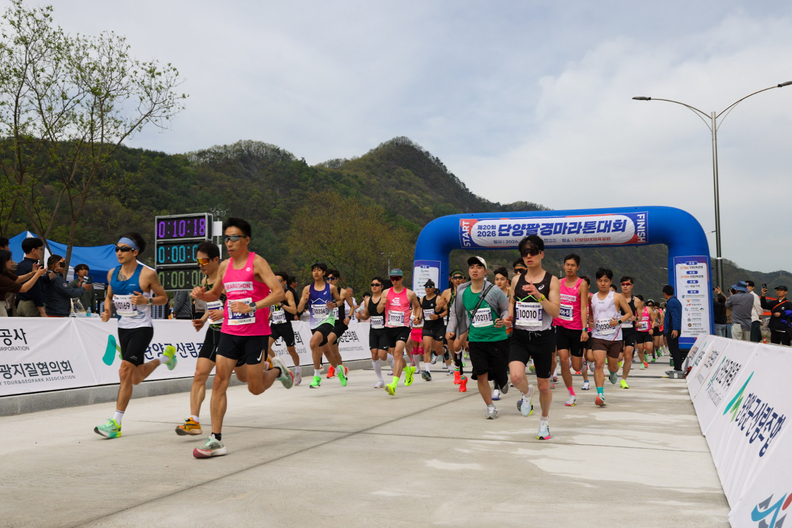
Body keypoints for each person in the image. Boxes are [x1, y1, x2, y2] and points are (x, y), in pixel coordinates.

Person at [189, 218, 293, 458]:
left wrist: (253, 307)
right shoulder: (224, 266)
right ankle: (216, 440)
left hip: (255, 334)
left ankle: (277, 370)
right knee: (219, 381)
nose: (229, 242)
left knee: (254, 388)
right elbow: (216, 293)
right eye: (226, 238)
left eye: (235, 237)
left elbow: (278, 294)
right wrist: (201, 294)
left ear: (246, 239)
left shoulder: (257, 263)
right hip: (229, 331)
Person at [94, 232, 177, 439]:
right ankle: (165, 358)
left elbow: (164, 298)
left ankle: (115, 423)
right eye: (117, 248)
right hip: (123, 328)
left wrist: (147, 301)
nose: (118, 252)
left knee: (124, 372)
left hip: (142, 328)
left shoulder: (147, 274)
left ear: (135, 252)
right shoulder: (112, 273)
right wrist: (106, 311)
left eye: (124, 249)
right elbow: (109, 296)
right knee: (136, 378)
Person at [176, 241, 249, 437]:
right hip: (213, 333)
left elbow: (239, 304)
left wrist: (224, 315)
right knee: (200, 374)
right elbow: (214, 305)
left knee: (246, 378)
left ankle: (269, 367)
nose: (200, 264)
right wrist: (202, 319)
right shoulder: (204, 281)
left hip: (232, 334)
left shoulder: (229, 278)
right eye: (197, 260)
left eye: (204, 260)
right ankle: (194, 421)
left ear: (216, 260)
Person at [504, 235, 560, 439]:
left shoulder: (551, 280)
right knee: (516, 376)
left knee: (544, 385)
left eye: (533, 252)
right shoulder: (517, 279)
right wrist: (509, 317)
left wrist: (539, 295)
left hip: (543, 338)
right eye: (525, 253)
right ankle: (527, 393)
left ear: (541, 254)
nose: (528, 256)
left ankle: (544, 422)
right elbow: (512, 302)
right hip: (520, 336)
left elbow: (555, 312)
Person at [446, 256, 509, 420]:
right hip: (476, 340)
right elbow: (456, 314)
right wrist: (451, 330)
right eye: (472, 267)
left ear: (485, 271)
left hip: (497, 339)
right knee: (481, 375)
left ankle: (502, 380)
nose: (475, 270)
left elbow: (506, 309)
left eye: (479, 267)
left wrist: (503, 319)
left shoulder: (494, 290)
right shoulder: (462, 293)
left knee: (500, 374)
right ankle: (490, 406)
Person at [296, 262, 347, 389]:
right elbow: (299, 308)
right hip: (314, 323)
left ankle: (317, 376)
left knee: (313, 343)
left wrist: (334, 305)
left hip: (328, 321)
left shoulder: (330, 288)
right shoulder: (307, 289)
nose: (316, 272)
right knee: (327, 351)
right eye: (314, 270)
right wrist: (304, 300)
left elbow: (340, 301)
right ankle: (339, 372)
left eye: (319, 270)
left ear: (324, 273)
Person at [587, 268, 633, 407]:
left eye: (606, 281)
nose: (603, 283)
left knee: (613, 366)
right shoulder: (592, 297)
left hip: (614, 337)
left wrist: (618, 321)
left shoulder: (617, 296)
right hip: (598, 336)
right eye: (600, 280)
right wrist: (590, 321)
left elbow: (629, 313)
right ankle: (600, 394)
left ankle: (613, 373)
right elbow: (590, 314)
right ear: (596, 281)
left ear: (610, 282)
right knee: (599, 364)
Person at [377, 268, 422, 396]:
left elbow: (417, 306)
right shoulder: (385, 292)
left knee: (397, 353)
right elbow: (379, 310)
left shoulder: (409, 294)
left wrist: (417, 317)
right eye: (392, 279)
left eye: (397, 279)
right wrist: (383, 303)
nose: (394, 281)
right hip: (389, 327)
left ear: (402, 279)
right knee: (397, 356)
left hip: (403, 328)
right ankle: (408, 370)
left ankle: (393, 385)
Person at [553, 254, 589, 407]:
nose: (569, 267)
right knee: (563, 359)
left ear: (577, 267)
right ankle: (571, 394)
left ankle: (583, 364)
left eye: (572, 265)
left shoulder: (582, 284)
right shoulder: (558, 283)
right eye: (567, 264)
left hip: (575, 329)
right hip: (560, 327)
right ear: (563, 266)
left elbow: (583, 308)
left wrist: (584, 329)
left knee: (576, 366)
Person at [267, 271, 302, 384]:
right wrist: (270, 315)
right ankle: (279, 366)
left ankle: (297, 370)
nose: (276, 283)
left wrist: (281, 304)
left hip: (285, 325)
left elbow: (294, 310)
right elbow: (273, 308)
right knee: (266, 346)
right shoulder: (272, 293)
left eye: (279, 281)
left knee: (291, 350)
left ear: (285, 282)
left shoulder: (287, 293)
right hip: (275, 325)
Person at [357, 277, 389, 388]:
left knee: (383, 355)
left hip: (384, 329)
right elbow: (367, 315)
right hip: (374, 329)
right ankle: (380, 380)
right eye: (372, 284)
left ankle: (396, 363)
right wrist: (360, 316)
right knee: (374, 354)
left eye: (376, 284)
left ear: (382, 287)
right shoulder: (367, 300)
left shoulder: (385, 298)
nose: (374, 287)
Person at [324, 269, 354, 380]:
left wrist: (349, 317)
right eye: (327, 279)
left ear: (337, 279)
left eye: (331, 278)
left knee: (327, 342)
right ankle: (342, 368)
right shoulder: (324, 292)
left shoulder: (343, 292)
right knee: (334, 350)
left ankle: (332, 368)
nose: (329, 281)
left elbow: (352, 306)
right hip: (328, 322)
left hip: (339, 323)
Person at [0, 250, 47, 316]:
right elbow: (23, 289)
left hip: (18, 304)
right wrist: (37, 275)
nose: (11, 262)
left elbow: (17, 279)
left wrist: (32, 273)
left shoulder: (4, 271)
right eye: (9, 259)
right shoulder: (2, 278)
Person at [441, 269, 468, 384]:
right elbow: (440, 309)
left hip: (466, 322)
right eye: (455, 277)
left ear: (464, 280)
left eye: (460, 277)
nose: (457, 280)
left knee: (463, 347)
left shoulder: (468, 291)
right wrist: (441, 306)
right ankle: (459, 372)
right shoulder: (446, 292)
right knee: (453, 349)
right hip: (452, 322)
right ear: (450, 279)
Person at [419, 279, 447, 382]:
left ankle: (445, 350)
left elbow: (447, 311)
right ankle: (428, 372)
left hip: (438, 327)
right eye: (426, 287)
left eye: (430, 287)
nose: (428, 289)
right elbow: (422, 313)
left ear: (434, 288)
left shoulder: (438, 298)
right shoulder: (422, 300)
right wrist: (418, 319)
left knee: (438, 350)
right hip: (427, 327)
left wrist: (438, 316)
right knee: (427, 348)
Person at [15, 237, 46, 317]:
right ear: (33, 250)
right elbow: (35, 289)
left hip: (20, 304)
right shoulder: (34, 267)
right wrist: (42, 311)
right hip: (32, 305)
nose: (41, 252)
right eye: (40, 249)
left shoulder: (20, 265)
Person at [618, 276, 638, 389]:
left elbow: (640, 317)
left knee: (628, 355)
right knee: (618, 357)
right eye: (623, 284)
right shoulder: (616, 298)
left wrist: (635, 318)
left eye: (627, 284)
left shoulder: (637, 301)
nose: (625, 286)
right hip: (617, 331)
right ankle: (614, 370)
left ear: (631, 286)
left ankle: (624, 380)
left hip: (630, 331)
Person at [662, 285, 684, 375]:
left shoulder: (672, 302)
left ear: (665, 293)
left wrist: (675, 329)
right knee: (674, 348)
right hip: (673, 328)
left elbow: (675, 316)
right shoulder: (675, 301)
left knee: (673, 348)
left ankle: (678, 368)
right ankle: (677, 366)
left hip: (672, 328)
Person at [633, 295, 656, 369]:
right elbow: (631, 322)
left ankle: (646, 353)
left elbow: (653, 320)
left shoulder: (648, 310)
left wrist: (652, 328)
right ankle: (642, 362)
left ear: (642, 302)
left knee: (649, 348)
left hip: (647, 332)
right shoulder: (634, 311)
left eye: (638, 301)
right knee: (640, 349)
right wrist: (636, 325)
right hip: (638, 332)